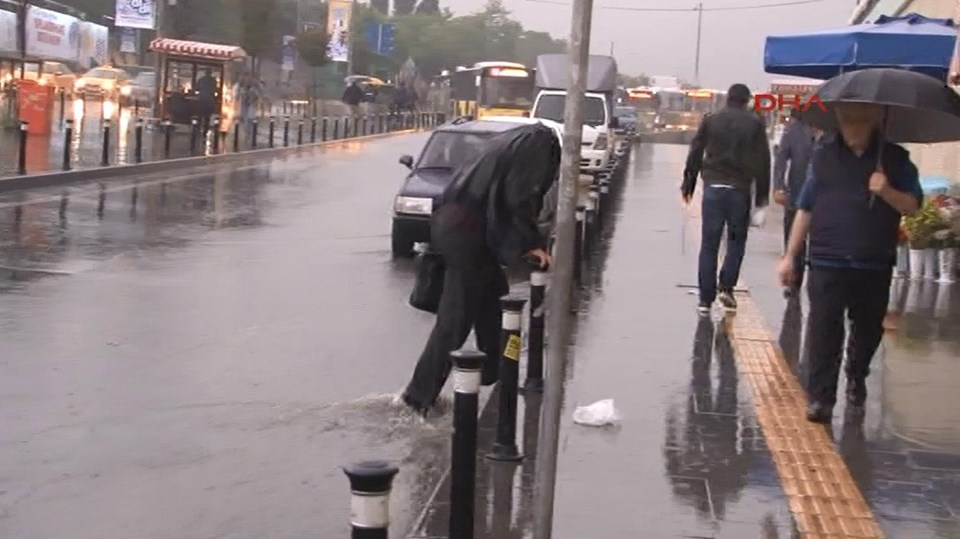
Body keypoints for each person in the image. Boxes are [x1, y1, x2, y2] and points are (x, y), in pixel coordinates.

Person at [401, 124, 561, 415]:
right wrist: (531, 243)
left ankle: (495, 372)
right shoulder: (542, 146)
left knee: (494, 301)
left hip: (457, 225)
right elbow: (519, 196)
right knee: (456, 318)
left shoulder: (511, 140)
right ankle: (418, 396)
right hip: (469, 234)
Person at [778, 102, 922, 424]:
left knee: (868, 329)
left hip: (874, 261)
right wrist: (790, 256)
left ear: (873, 120)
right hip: (827, 259)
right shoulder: (824, 155)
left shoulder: (895, 159)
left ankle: (856, 375)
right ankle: (820, 397)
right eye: (845, 119)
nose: (851, 126)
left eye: (859, 119)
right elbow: (805, 207)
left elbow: (913, 206)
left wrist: (886, 191)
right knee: (823, 329)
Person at [682, 83, 771, 315]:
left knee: (709, 244)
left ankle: (704, 299)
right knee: (736, 241)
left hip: (713, 188)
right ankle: (727, 287)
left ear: (727, 99)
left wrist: (688, 184)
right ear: (746, 101)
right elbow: (763, 161)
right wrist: (762, 198)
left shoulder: (711, 120)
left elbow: (696, 151)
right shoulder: (755, 124)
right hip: (739, 189)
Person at [773, 108, 824, 297]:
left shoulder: (831, 133)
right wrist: (778, 186)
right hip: (796, 194)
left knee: (819, 243)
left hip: (823, 198)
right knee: (795, 240)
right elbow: (781, 159)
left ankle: (817, 285)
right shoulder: (793, 130)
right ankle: (794, 281)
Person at [196, 68, 219, 133]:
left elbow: (197, 89)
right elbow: (215, 90)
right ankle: (205, 130)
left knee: (200, 115)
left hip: (202, 99)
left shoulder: (201, 80)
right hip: (210, 100)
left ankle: (198, 128)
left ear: (205, 73)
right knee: (207, 116)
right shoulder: (213, 80)